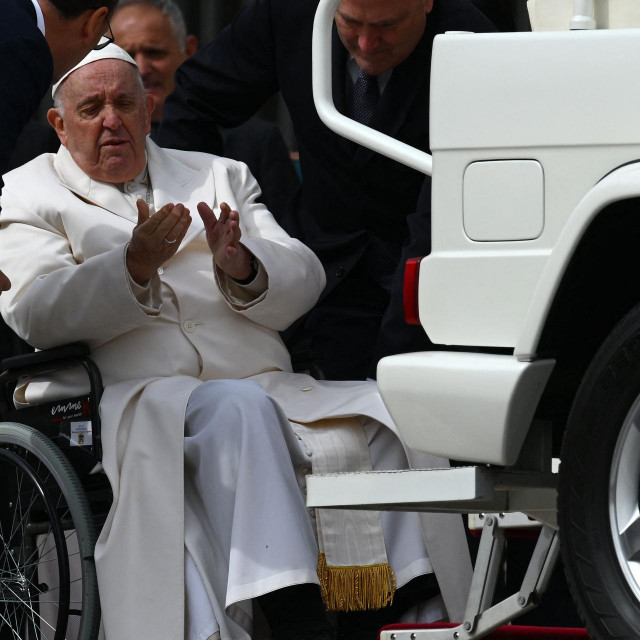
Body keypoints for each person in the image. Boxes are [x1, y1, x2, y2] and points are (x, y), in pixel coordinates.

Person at [0, 45, 472, 640]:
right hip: (138, 399)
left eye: (124, 103)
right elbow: (36, 309)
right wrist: (132, 267)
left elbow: (306, 274)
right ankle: (296, 611)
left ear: (149, 111)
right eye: (91, 108)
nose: (111, 120)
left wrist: (244, 263)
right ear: (60, 126)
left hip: (265, 385)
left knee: (391, 411)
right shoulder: (25, 192)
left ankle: (410, 605)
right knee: (239, 411)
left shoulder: (219, 174)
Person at [157, 0, 495, 381]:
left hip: (428, 282)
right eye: (350, 23)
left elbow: (446, 207)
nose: (367, 43)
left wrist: (398, 358)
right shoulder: (289, 13)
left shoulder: (473, 44)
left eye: (388, 25)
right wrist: (200, 224)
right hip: (324, 274)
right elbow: (194, 101)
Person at [111, 0, 300, 220]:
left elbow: (289, 244)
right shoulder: (96, 146)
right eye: (127, 55)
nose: (142, 69)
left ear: (189, 49)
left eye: (155, 53)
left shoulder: (257, 142)